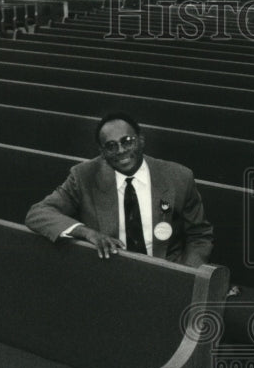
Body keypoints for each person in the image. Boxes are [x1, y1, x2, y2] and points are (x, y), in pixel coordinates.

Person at [26, 111, 213, 265]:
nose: (121, 151)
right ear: (102, 152)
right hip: (109, 270)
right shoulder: (84, 176)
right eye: (111, 146)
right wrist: (88, 233)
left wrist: (187, 278)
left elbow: (199, 235)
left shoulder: (178, 177)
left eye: (127, 141)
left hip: (167, 270)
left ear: (141, 140)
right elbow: (38, 213)